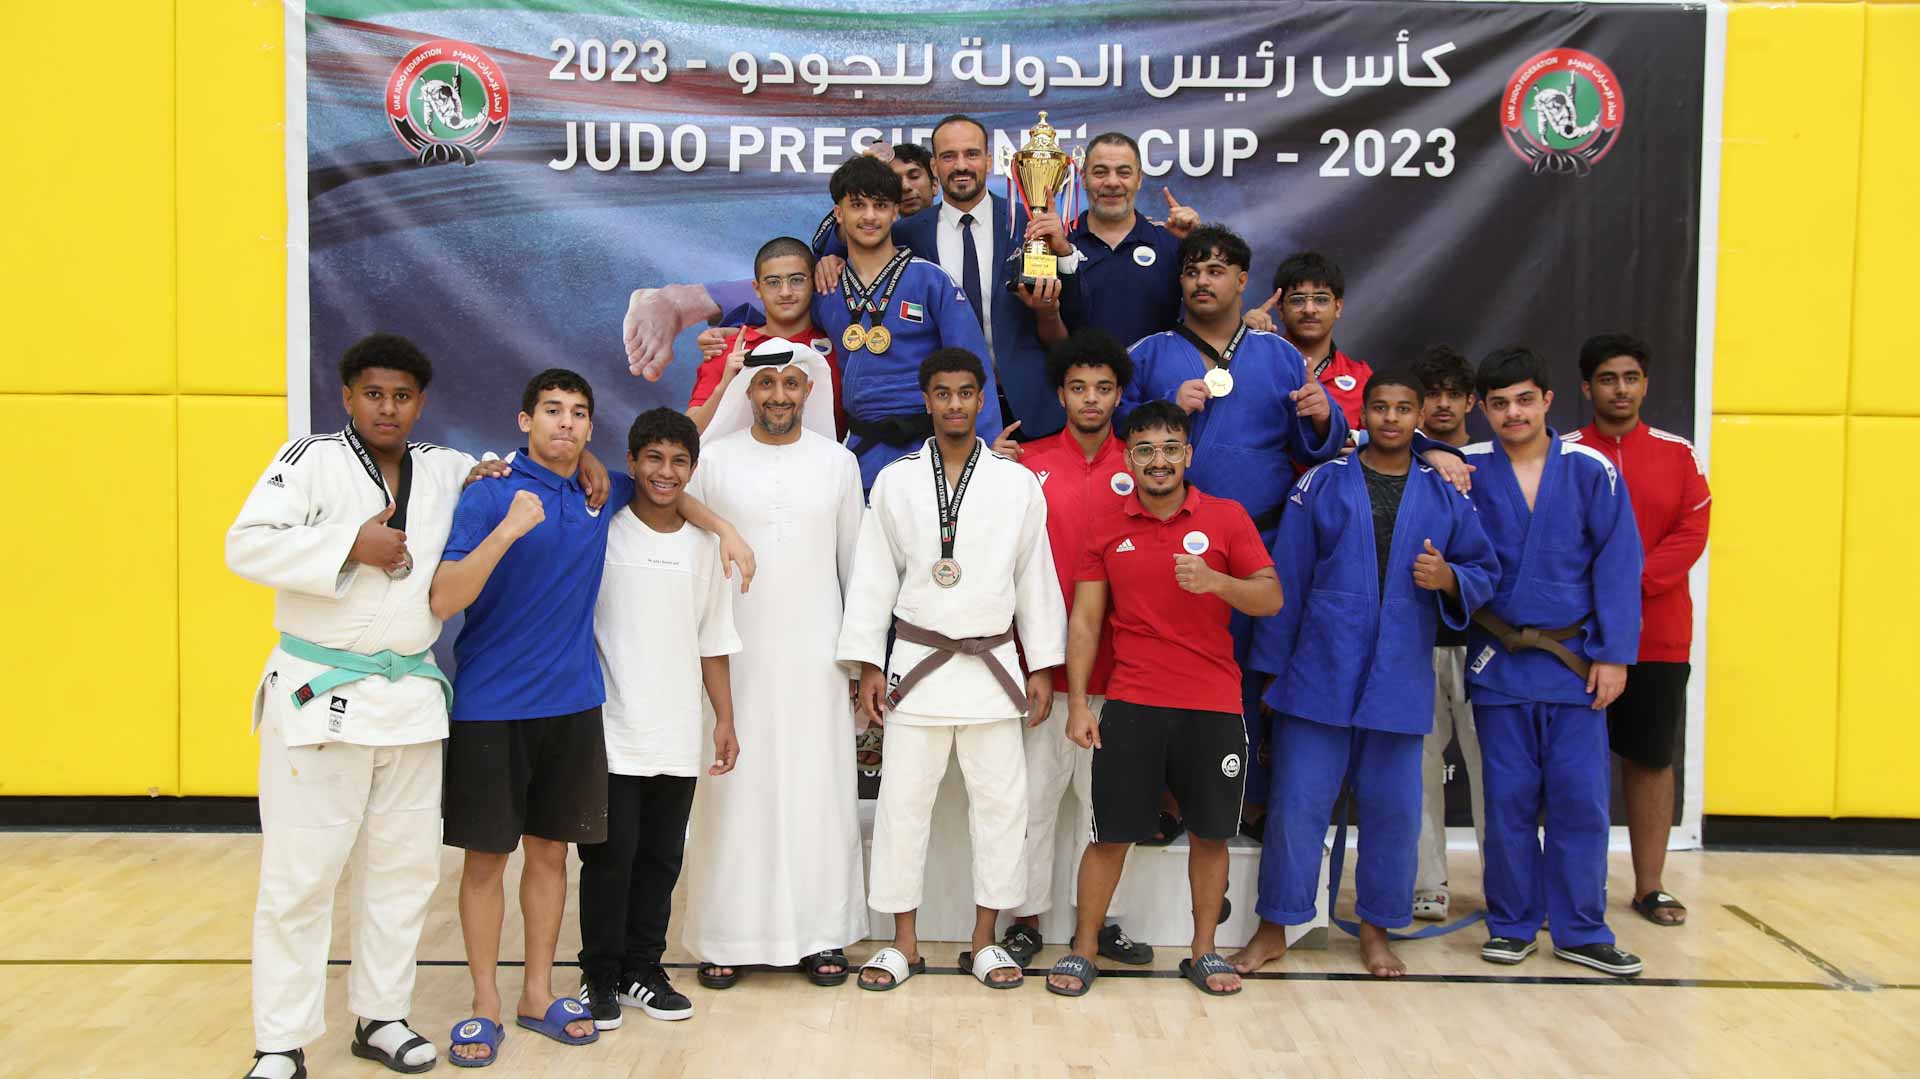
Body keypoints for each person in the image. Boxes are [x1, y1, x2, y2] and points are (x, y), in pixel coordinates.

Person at [227, 334, 546, 1079]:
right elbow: (243, 545)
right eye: (374, 394)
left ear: (420, 402)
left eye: (402, 396)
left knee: (403, 873)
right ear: (347, 396)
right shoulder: (309, 460)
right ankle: (280, 1039)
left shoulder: (444, 467)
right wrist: (349, 544)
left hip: (408, 701)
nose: (388, 408)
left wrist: (587, 461)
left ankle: (382, 1014)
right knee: (301, 875)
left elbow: (505, 469)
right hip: (321, 698)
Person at [427, 368, 752, 1064]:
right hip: (492, 705)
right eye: (552, 411)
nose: (566, 424)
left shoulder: (597, 488)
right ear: (524, 421)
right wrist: (508, 528)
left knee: (550, 857)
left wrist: (724, 525)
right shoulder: (487, 493)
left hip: (574, 707)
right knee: (487, 861)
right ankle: (485, 1003)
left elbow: (673, 474)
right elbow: (444, 598)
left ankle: (538, 993)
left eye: (578, 413)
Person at [1232, 371, 1500, 979]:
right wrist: (1273, 671)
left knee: (1394, 816)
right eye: (1380, 406)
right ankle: (1275, 925)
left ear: (1420, 415)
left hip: (1400, 677)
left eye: (1404, 407)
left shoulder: (1444, 492)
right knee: (1297, 809)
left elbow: (1485, 567)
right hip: (1319, 672)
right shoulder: (1322, 483)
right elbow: (1286, 581)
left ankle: (1377, 929)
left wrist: (1450, 579)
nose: (1391, 418)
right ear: (1364, 412)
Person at [837, 348, 1066, 992]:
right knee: (902, 808)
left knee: (1000, 809)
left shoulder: (1016, 484)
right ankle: (902, 943)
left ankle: (985, 941)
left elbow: (1036, 579)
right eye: (944, 393)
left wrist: (1042, 665)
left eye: (967, 393)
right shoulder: (896, 480)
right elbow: (873, 577)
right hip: (915, 665)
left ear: (981, 398)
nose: (956, 404)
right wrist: (868, 663)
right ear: (927, 399)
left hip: (993, 669)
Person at [1046, 400, 1281, 999]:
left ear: (1188, 455)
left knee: (1209, 834)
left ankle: (1203, 952)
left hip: (1213, 706)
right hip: (1132, 703)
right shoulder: (1108, 528)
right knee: (1110, 835)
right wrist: (1077, 703)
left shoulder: (1226, 518)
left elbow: (1270, 597)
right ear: (1130, 458)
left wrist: (1216, 582)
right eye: (1146, 449)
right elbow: (1085, 622)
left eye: (1170, 448)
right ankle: (1084, 949)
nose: (1158, 461)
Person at [1119, 224, 1347, 839]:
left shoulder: (1277, 355)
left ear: (1242, 281)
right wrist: (1165, 405)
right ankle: (1165, 799)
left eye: (1217, 270)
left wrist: (1327, 416)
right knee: (1164, 666)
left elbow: (1313, 446)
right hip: (1165, 539)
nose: (1202, 280)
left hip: (1256, 541)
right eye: (1192, 270)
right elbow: (1116, 426)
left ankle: (1239, 794)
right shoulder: (1151, 352)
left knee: (1248, 673)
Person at [678, 338, 870, 989]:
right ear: (749, 391)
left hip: (819, 659)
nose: (780, 396)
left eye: (792, 384)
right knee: (736, 791)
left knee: (819, 792)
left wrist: (861, 659)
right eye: (767, 385)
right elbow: (673, 502)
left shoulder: (838, 463)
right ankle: (727, 934)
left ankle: (821, 934)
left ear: (810, 391)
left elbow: (858, 569)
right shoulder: (715, 460)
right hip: (734, 657)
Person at [626, 156, 997, 492]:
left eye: (880, 206)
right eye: (858, 206)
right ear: (839, 213)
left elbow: (972, 369)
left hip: (928, 447)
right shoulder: (827, 287)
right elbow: (784, 312)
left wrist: (984, 447)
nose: (869, 216)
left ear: (895, 213)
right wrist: (737, 330)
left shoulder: (932, 282)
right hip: (859, 451)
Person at [1462, 347, 1645, 977]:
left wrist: (1617, 654)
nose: (1512, 412)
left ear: (1547, 400)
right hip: (1500, 660)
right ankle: (1512, 923)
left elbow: (1619, 565)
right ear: (1481, 409)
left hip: (1576, 661)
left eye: (1523, 399)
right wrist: (1437, 452)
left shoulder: (1591, 469)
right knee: (1506, 801)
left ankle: (1581, 928)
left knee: (1580, 801)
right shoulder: (1464, 468)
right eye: (1498, 402)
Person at [576, 408, 741, 1031]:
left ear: (691, 470)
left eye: (678, 461)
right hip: (610, 731)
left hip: (677, 731)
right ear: (632, 463)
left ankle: (644, 969)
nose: (665, 472)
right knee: (609, 859)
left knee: (662, 859)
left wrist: (724, 719)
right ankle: (600, 974)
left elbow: (714, 644)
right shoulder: (605, 532)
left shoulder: (706, 548)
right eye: (653, 458)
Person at [992, 330, 1151, 969]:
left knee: (1107, 801)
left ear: (1120, 395)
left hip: (1122, 665)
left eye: (1104, 389)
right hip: (1041, 664)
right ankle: (1025, 918)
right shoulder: (1024, 464)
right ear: (1060, 393)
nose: (1091, 400)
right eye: (1079, 388)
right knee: (1032, 798)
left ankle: (1102, 918)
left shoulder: (1140, 465)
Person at [1567, 333, 1711, 928]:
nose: (1619, 389)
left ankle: (1650, 885)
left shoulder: (1680, 454)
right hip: (1577, 640)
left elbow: (1692, 530)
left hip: (1658, 638)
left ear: (1645, 384)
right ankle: (1573, 888)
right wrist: (1600, 599)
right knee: (1573, 765)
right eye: (1607, 378)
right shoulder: (1566, 452)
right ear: (1586, 388)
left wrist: (1625, 587)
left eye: (1630, 377)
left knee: (1651, 760)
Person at [1408, 345, 1486, 921]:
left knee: (1493, 771)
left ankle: (1505, 880)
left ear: (1470, 402)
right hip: (1417, 635)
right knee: (1419, 768)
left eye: (1450, 394)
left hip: (1485, 640)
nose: (1440, 404)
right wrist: (1427, 451)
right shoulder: (1400, 456)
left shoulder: (1497, 459)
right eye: (1429, 394)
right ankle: (1426, 883)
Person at [685, 237, 844, 439]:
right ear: (757, 289)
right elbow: (689, 434)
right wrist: (726, 386)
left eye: (796, 280)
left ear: (813, 282)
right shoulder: (731, 349)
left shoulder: (840, 350)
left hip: (823, 469)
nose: (785, 292)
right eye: (773, 282)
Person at [1062, 132, 1198, 352]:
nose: (1112, 182)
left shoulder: (1171, 243)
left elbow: (1209, 308)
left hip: (1156, 385)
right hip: (1083, 385)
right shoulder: (1059, 243)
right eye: (1100, 172)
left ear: (1139, 179)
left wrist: (1197, 241)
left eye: (1124, 173)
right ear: (1083, 178)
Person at [1246, 251, 1375, 428]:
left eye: (1321, 299)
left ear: (1338, 307)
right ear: (1281, 309)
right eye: (1298, 300)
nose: (1309, 309)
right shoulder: (1251, 360)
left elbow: (1373, 450)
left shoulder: (1362, 377)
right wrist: (1237, 340)